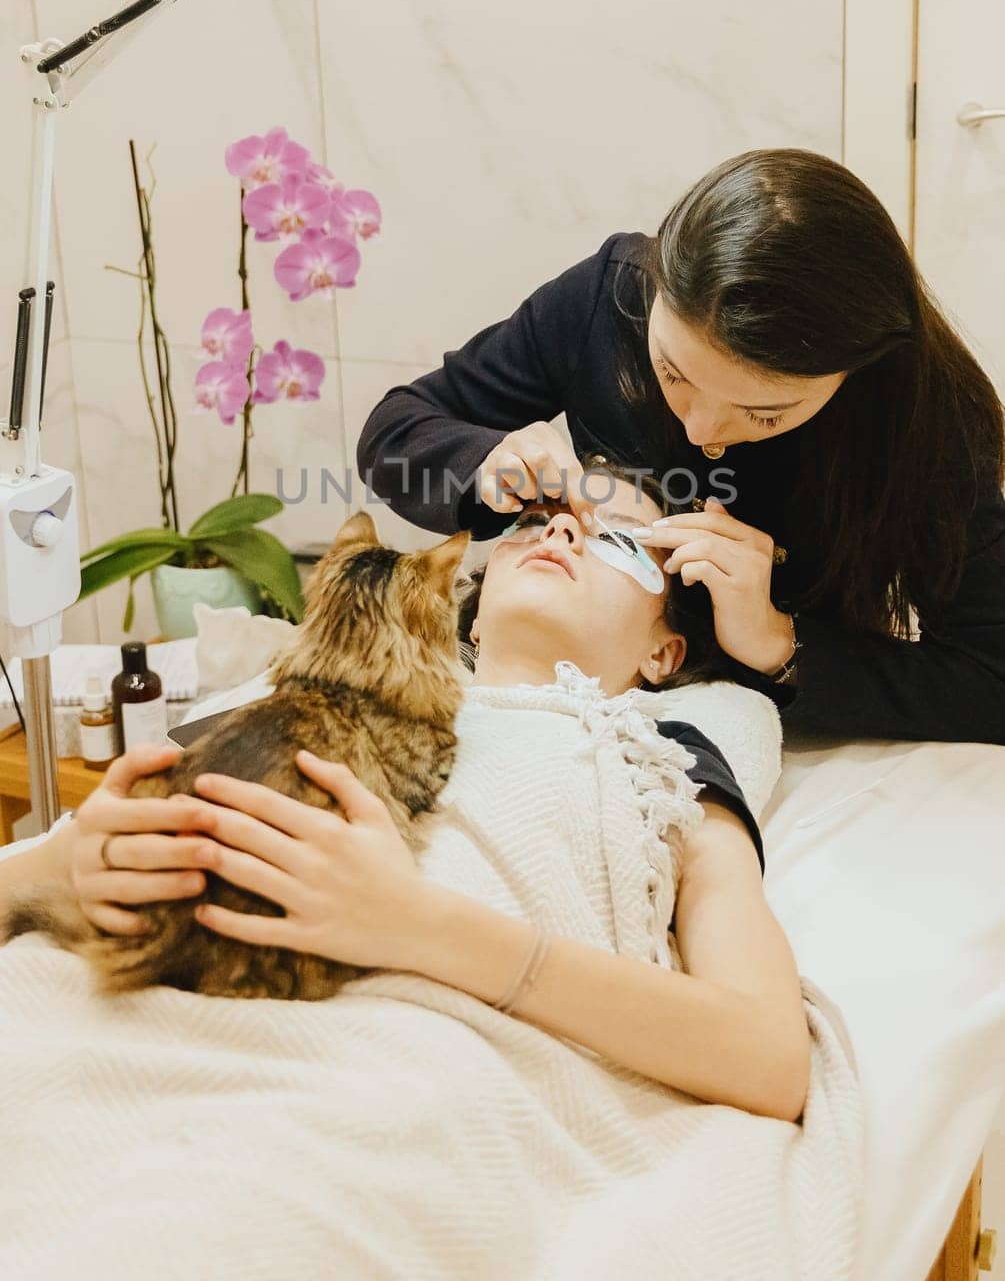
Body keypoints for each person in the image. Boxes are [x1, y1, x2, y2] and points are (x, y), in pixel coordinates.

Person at [0, 470, 806, 1120]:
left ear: (664, 655)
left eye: (619, 540)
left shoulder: (660, 757)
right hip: (79, 1028)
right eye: (542, 517)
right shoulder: (283, 697)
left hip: (355, 1086)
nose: (563, 528)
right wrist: (71, 859)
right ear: (466, 611)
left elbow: (768, 1061)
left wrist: (414, 926)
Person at [357, 148, 1005, 744]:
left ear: (852, 374)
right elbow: (395, 429)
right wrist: (481, 462)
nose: (701, 432)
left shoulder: (929, 428)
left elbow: (991, 678)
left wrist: (780, 642)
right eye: (672, 374)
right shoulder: (604, 302)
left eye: (762, 412)